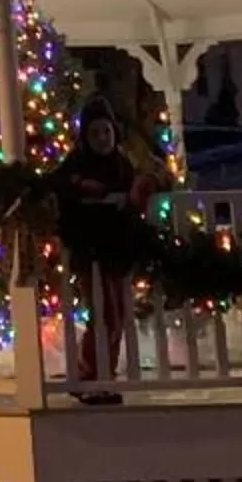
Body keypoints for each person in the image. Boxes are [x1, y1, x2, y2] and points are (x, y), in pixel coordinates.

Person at [45, 96, 156, 401]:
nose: (102, 138)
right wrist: (83, 187)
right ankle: (90, 374)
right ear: (85, 137)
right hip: (91, 250)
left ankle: (106, 375)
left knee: (119, 315)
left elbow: (138, 191)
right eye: (95, 133)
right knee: (103, 313)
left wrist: (139, 193)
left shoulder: (121, 165)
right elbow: (59, 185)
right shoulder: (76, 165)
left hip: (119, 250)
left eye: (106, 132)